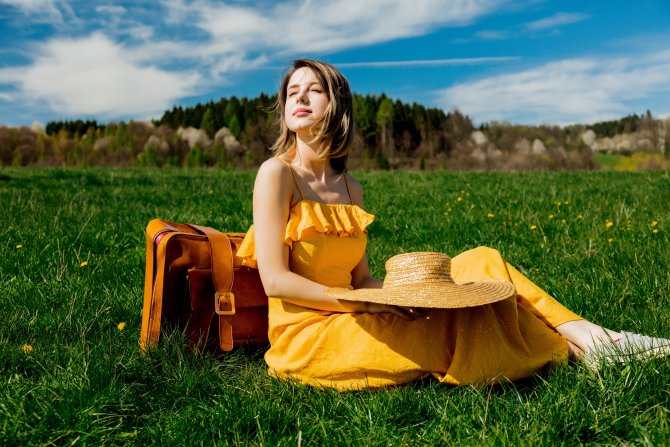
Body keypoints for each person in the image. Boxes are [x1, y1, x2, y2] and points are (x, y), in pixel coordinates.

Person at [236, 59, 670, 390]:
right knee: (454, 323)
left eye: (315, 90)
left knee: (482, 262)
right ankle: (577, 352)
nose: (300, 98)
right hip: (308, 334)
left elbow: (363, 277)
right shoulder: (277, 174)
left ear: (338, 107)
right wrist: (364, 305)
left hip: (356, 307)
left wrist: (403, 298)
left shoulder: (351, 188)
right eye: (293, 91)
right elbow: (276, 281)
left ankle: (596, 338)